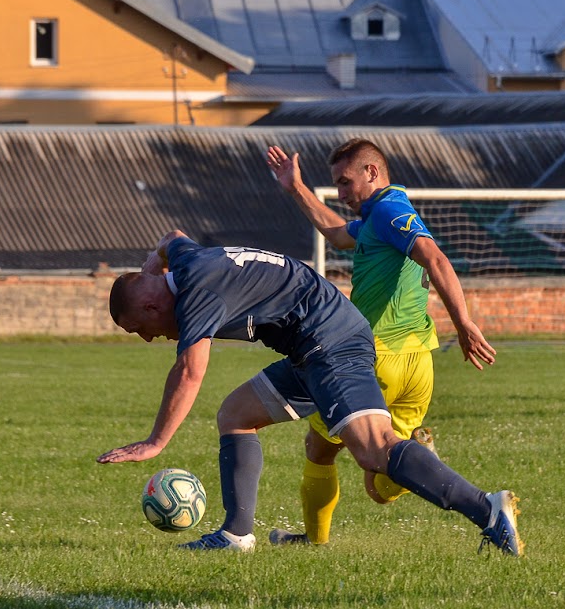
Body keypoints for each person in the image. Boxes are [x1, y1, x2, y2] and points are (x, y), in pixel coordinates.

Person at [97, 229, 522, 557]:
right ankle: (236, 535)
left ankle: (488, 509)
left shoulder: (195, 293)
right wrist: (152, 267)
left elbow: (189, 372)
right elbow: (172, 238)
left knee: (374, 450)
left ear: (152, 307)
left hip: (331, 343)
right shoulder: (189, 265)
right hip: (309, 346)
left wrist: (155, 443)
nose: (149, 340)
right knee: (236, 415)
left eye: (140, 330)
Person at [264, 139, 497, 546]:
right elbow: (338, 235)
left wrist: (463, 323)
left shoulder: (390, 210)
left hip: (373, 361)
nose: (340, 193)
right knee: (379, 486)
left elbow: (435, 258)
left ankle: (313, 541)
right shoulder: (378, 216)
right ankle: (419, 459)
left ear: (372, 172)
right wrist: (296, 188)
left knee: (319, 448)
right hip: (418, 364)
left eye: (345, 182)